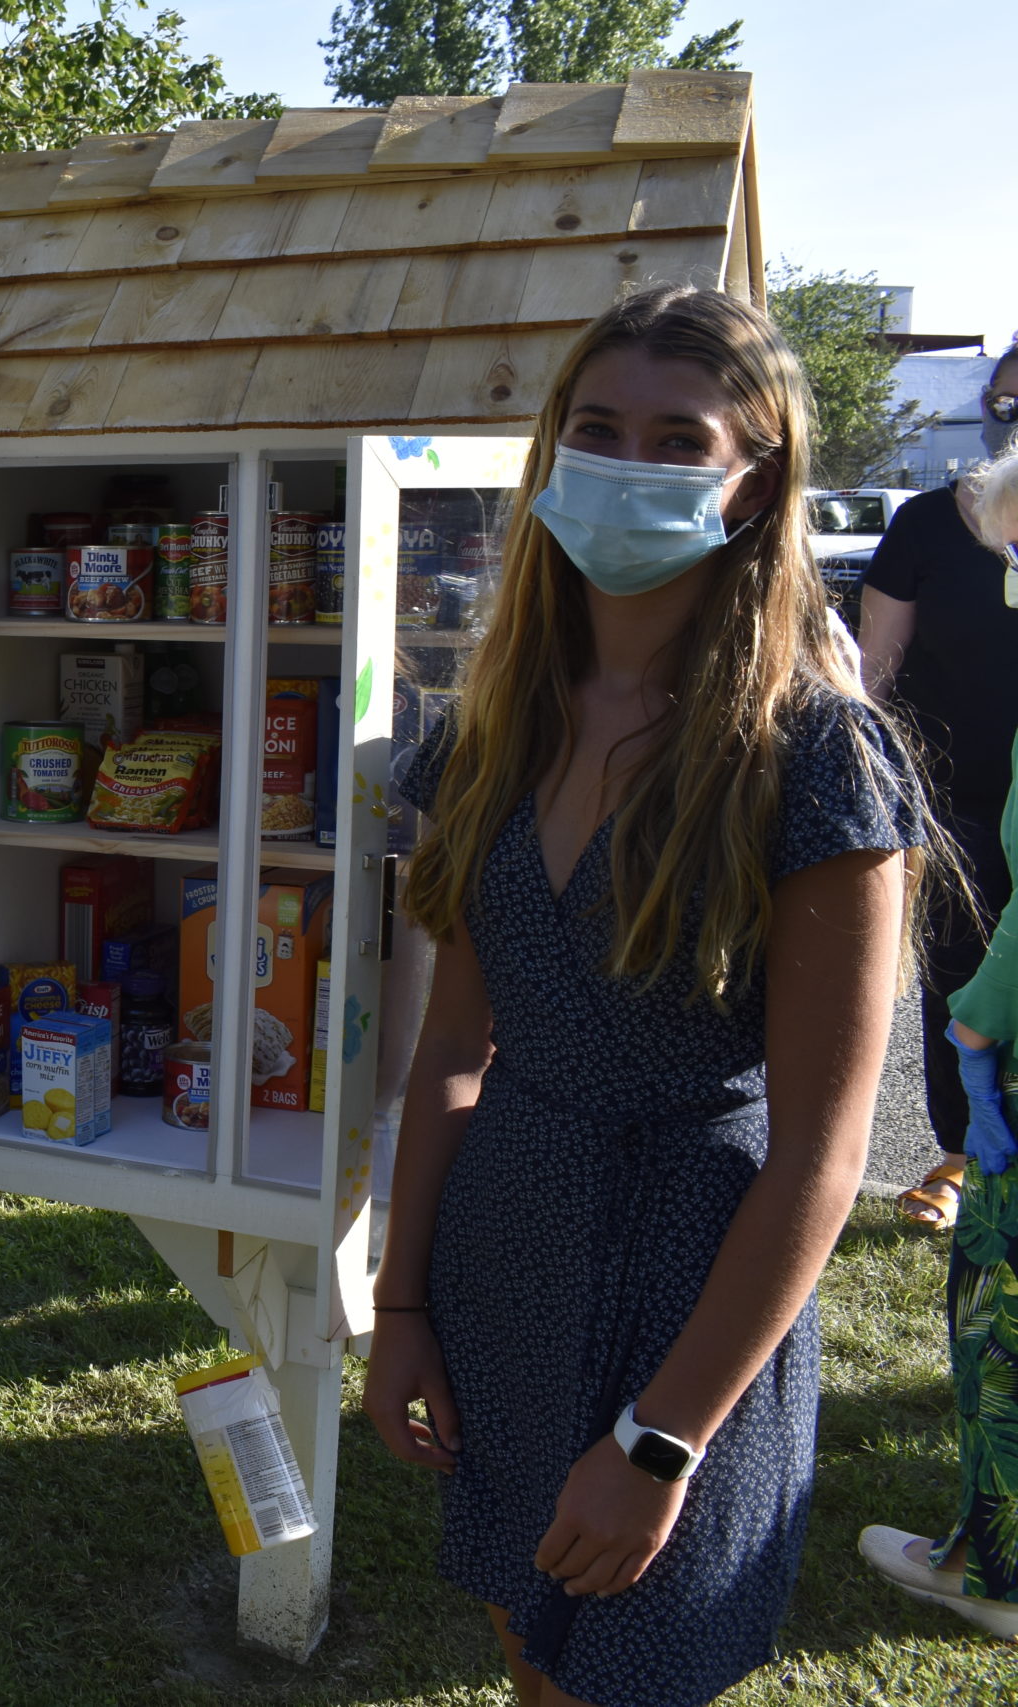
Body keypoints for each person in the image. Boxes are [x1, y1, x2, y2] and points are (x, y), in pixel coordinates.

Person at [364, 284, 936, 1707]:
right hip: (503, 1257)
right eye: (597, 428)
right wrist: (402, 1299)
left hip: (698, 1295)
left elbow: (824, 1150)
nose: (627, 463)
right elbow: (449, 1047)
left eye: (679, 439)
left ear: (754, 484)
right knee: (524, 1644)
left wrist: (663, 1439)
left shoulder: (815, 756)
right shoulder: (488, 732)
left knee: (628, 1677)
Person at [861, 442, 1018, 1638]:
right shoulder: (926, 522)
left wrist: (979, 1017)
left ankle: (995, 1566)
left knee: (999, 1312)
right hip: (962, 828)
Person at [860, 339, 1018, 1227]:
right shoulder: (924, 524)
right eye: (1004, 403)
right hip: (950, 796)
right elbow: (872, 677)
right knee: (960, 981)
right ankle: (962, 1155)